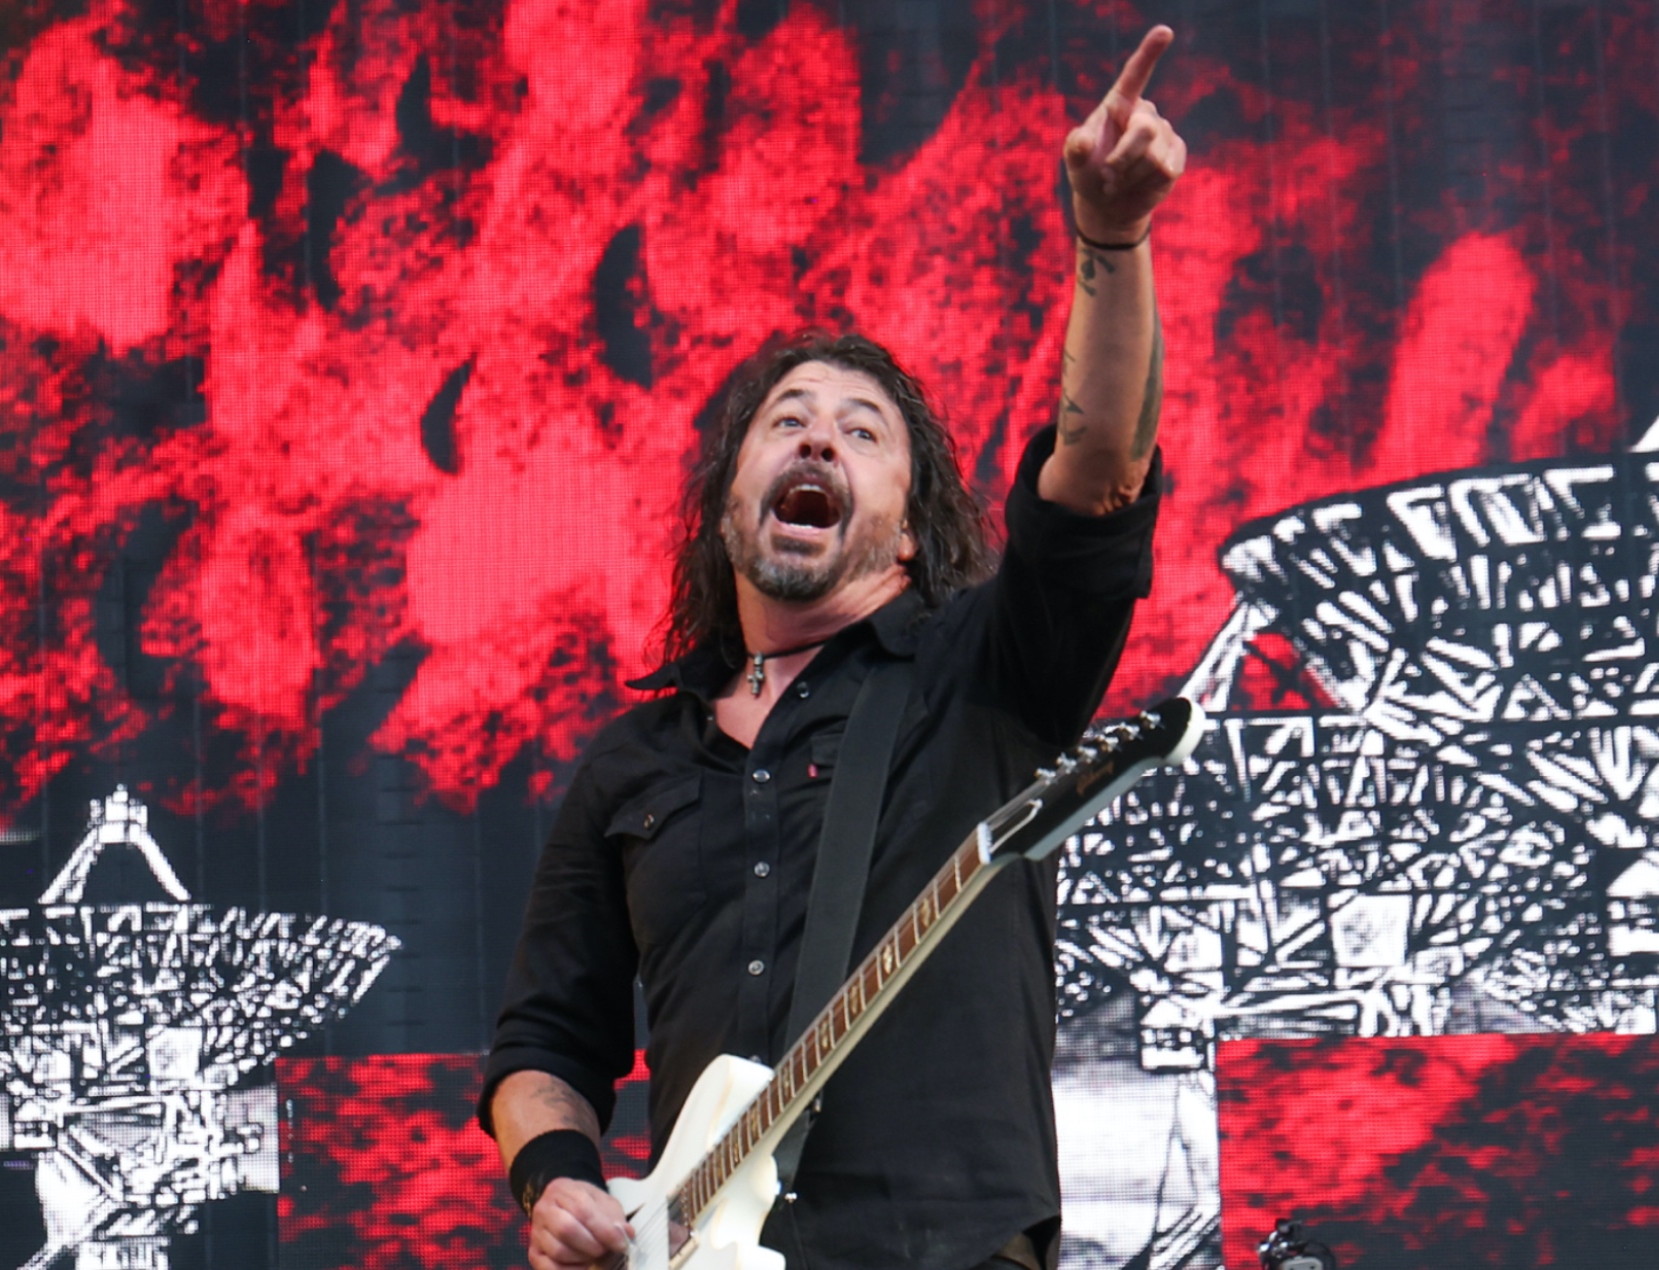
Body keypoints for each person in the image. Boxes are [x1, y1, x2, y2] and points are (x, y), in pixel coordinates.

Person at [478, 25, 1188, 1270]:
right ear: (726, 501)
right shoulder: (633, 762)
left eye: (862, 432)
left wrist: (1112, 240)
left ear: (908, 532)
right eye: (787, 422)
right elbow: (544, 1043)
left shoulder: (983, 673)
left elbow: (1094, 481)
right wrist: (558, 1180)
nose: (817, 440)